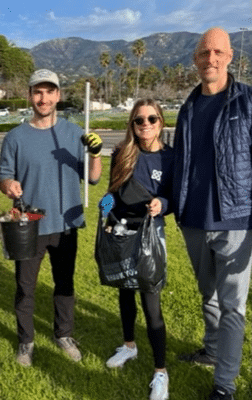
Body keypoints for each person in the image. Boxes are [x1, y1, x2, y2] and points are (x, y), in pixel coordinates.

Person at [0, 69, 103, 366]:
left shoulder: (73, 133)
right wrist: (8, 185)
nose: (43, 98)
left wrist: (95, 153)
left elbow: (93, 179)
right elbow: (4, 176)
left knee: (65, 283)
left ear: (58, 95)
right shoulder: (15, 137)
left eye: (49, 92)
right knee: (24, 286)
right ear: (30, 95)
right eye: (37, 92)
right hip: (28, 225)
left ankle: (63, 334)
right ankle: (25, 341)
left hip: (66, 223)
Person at [172, 27, 252, 400]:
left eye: (218, 52)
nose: (211, 59)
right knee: (208, 294)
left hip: (237, 220)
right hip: (194, 219)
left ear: (230, 56)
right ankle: (212, 350)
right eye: (205, 52)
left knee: (233, 304)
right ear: (196, 59)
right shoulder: (187, 108)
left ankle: (225, 387)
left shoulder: (247, 102)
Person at [100, 99, 173, 400]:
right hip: (121, 232)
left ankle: (160, 372)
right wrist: (105, 214)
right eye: (139, 120)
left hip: (150, 235)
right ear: (131, 124)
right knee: (124, 292)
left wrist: (163, 204)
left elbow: (175, 198)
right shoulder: (122, 153)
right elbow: (112, 192)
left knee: (151, 303)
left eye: (151, 119)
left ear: (161, 122)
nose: (145, 125)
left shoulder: (170, 158)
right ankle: (129, 346)